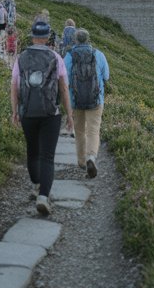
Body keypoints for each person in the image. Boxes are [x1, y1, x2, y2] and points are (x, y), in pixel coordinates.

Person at [11, 19, 73, 215]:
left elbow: (14, 86)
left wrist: (15, 111)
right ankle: (44, 197)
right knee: (47, 156)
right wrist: (69, 115)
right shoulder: (56, 57)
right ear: (47, 38)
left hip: (28, 112)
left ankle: (36, 184)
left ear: (32, 36)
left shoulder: (21, 57)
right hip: (50, 113)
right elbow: (63, 88)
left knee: (32, 151)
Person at [64, 28, 109, 178]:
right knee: (93, 130)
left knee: (80, 131)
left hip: (75, 100)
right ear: (88, 39)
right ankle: (91, 157)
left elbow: (64, 80)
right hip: (95, 99)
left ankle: (82, 162)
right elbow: (106, 76)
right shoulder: (98, 54)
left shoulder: (69, 56)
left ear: (75, 40)